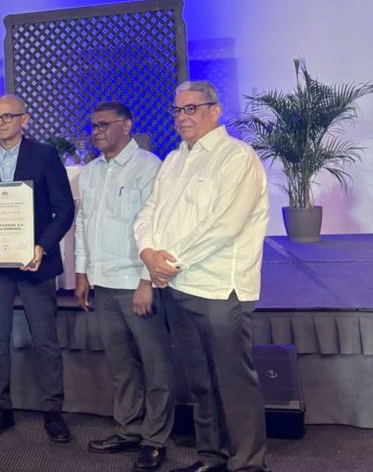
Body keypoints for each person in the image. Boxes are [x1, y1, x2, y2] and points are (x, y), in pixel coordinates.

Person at [134, 80, 270, 472]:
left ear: (215, 109)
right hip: (178, 288)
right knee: (201, 382)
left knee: (234, 384)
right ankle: (211, 458)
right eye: (177, 110)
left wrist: (167, 261)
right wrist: (147, 252)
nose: (182, 117)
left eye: (191, 109)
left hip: (220, 288)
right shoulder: (174, 159)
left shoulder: (236, 157)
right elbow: (149, 213)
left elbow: (225, 226)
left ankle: (247, 465)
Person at [0, 94, 75, 442]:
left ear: (24, 119)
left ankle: (53, 412)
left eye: (8, 117)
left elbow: (64, 208)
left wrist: (42, 246)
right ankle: (1, 409)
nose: (0, 123)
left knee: (45, 340)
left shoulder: (44, 155)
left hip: (35, 264)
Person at [75, 102, 170, 472]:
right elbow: (84, 226)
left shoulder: (150, 167)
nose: (96, 131)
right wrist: (82, 274)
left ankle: (155, 439)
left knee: (155, 365)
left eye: (104, 125)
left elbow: (157, 229)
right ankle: (129, 429)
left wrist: (147, 282)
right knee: (121, 366)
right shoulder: (90, 172)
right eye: (93, 125)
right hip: (103, 283)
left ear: (127, 126)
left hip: (137, 283)